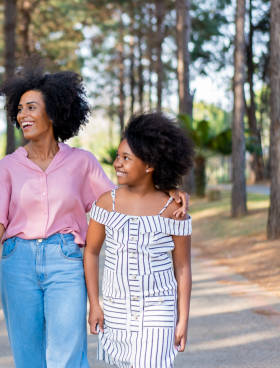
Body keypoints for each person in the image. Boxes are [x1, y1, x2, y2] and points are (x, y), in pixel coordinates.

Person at [0, 68, 188, 367]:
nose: (23, 114)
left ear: (54, 112)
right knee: (27, 358)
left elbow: (124, 198)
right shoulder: (8, 166)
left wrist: (169, 191)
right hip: (17, 262)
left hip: (65, 261)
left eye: (31, 107)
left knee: (68, 356)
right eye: (19, 109)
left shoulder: (81, 162)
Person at [84, 112, 194, 368]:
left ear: (149, 165)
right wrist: (94, 304)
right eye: (118, 156)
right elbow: (90, 253)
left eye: (126, 158)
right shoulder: (106, 203)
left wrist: (183, 319)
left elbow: (183, 267)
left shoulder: (173, 208)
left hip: (158, 309)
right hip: (115, 310)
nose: (117, 163)